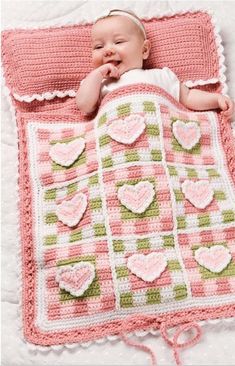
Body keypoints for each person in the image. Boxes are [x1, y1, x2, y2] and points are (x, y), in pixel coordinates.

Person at [76, 9, 234, 118]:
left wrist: (215, 100)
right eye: (98, 46)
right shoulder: (99, 84)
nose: (108, 50)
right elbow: (84, 106)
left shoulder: (160, 76)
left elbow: (188, 96)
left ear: (144, 50)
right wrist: (97, 74)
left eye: (118, 41)